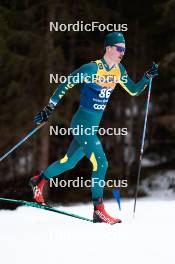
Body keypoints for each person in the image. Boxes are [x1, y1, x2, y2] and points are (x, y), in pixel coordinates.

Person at [29, 32, 158, 224]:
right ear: (108, 48)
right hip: (82, 123)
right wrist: (50, 107)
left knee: (68, 162)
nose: (123, 52)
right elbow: (66, 83)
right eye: (119, 48)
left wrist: (147, 77)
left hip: (91, 127)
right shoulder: (91, 69)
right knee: (101, 163)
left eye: (125, 49)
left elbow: (133, 90)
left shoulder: (119, 71)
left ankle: (39, 179)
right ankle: (98, 210)